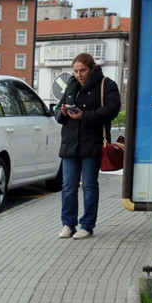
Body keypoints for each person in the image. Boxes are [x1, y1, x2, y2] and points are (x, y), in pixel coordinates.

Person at [54, 53, 121, 239]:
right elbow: (58, 113)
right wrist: (64, 112)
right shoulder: (71, 85)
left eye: (82, 70)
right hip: (70, 142)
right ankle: (68, 224)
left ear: (92, 68)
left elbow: (112, 109)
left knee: (90, 185)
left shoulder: (106, 84)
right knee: (68, 186)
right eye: (75, 71)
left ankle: (87, 225)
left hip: (92, 141)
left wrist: (85, 115)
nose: (79, 74)